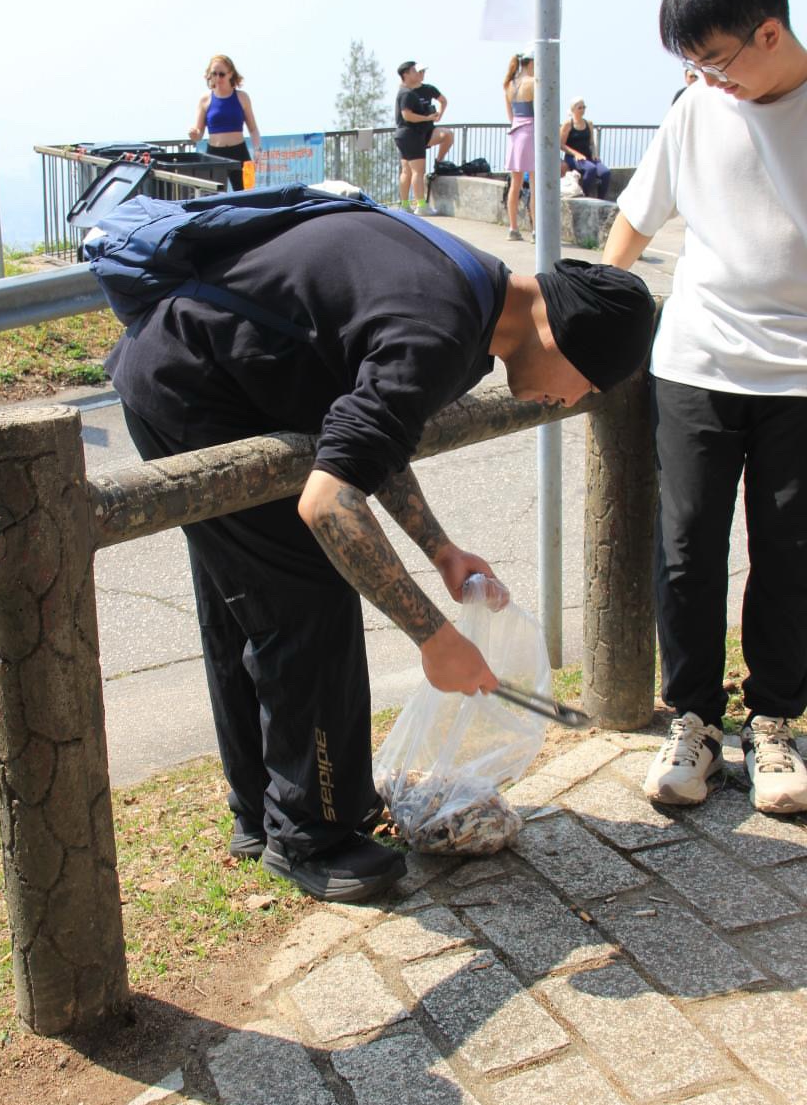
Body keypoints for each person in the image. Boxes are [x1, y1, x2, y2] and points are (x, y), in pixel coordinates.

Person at [105, 201, 655, 903]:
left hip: (204, 366)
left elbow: (367, 437)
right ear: (564, 336)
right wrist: (434, 636)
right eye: (587, 387)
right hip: (192, 384)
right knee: (307, 600)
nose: (567, 401)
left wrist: (442, 548)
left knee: (248, 598)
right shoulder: (442, 330)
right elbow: (329, 503)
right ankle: (312, 835)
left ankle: (264, 813)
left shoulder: (472, 289)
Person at [602, 0, 807, 815]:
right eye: (691, 64)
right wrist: (602, 323)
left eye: (716, 60)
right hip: (695, 360)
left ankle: (775, 726)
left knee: (791, 557)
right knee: (686, 553)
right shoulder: (695, 109)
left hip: (801, 377)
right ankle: (692, 722)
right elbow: (632, 223)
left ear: (769, 33)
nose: (705, 79)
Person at [189, 53, 261, 192]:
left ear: (230, 74)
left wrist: (258, 149)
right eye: (214, 74)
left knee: (246, 194)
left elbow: (253, 129)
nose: (217, 78)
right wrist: (193, 134)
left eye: (221, 74)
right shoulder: (205, 100)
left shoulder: (242, 97)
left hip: (239, 152)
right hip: (214, 154)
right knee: (213, 195)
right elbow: (198, 133)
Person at [393, 61, 454, 215]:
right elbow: (407, 115)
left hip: (405, 134)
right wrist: (427, 118)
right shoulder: (407, 93)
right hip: (411, 134)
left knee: (407, 170)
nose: (418, 73)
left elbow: (443, 100)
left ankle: (405, 204)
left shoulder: (408, 91)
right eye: (414, 70)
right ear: (405, 74)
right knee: (417, 171)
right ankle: (421, 205)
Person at [504, 48, 535, 242]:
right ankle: (535, 230)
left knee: (515, 184)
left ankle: (513, 228)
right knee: (534, 183)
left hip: (515, 133)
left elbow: (510, 115)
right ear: (531, 62)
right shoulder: (533, 83)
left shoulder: (510, 84)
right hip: (530, 132)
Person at [560, 98, 611, 199]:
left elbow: (592, 143)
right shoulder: (568, 124)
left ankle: (601, 199)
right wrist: (576, 154)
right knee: (591, 169)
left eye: (584, 107)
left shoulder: (589, 123)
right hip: (573, 157)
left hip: (587, 156)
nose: (582, 110)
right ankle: (585, 195)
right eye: (580, 108)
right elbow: (561, 145)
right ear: (573, 109)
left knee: (606, 172)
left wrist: (595, 154)